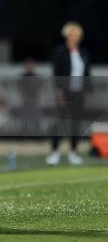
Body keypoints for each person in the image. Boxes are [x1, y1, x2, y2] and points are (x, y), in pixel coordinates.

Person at [47, 22, 90, 166]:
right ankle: (54, 153)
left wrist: (88, 90)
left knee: (76, 125)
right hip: (64, 93)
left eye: (77, 35)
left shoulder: (83, 52)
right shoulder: (60, 51)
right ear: (67, 35)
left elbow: (86, 73)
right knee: (59, 123)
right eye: (72, 34)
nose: (75, 37)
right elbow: (56, 74)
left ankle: (73, 153)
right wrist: (59, 91)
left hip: (79, 93)